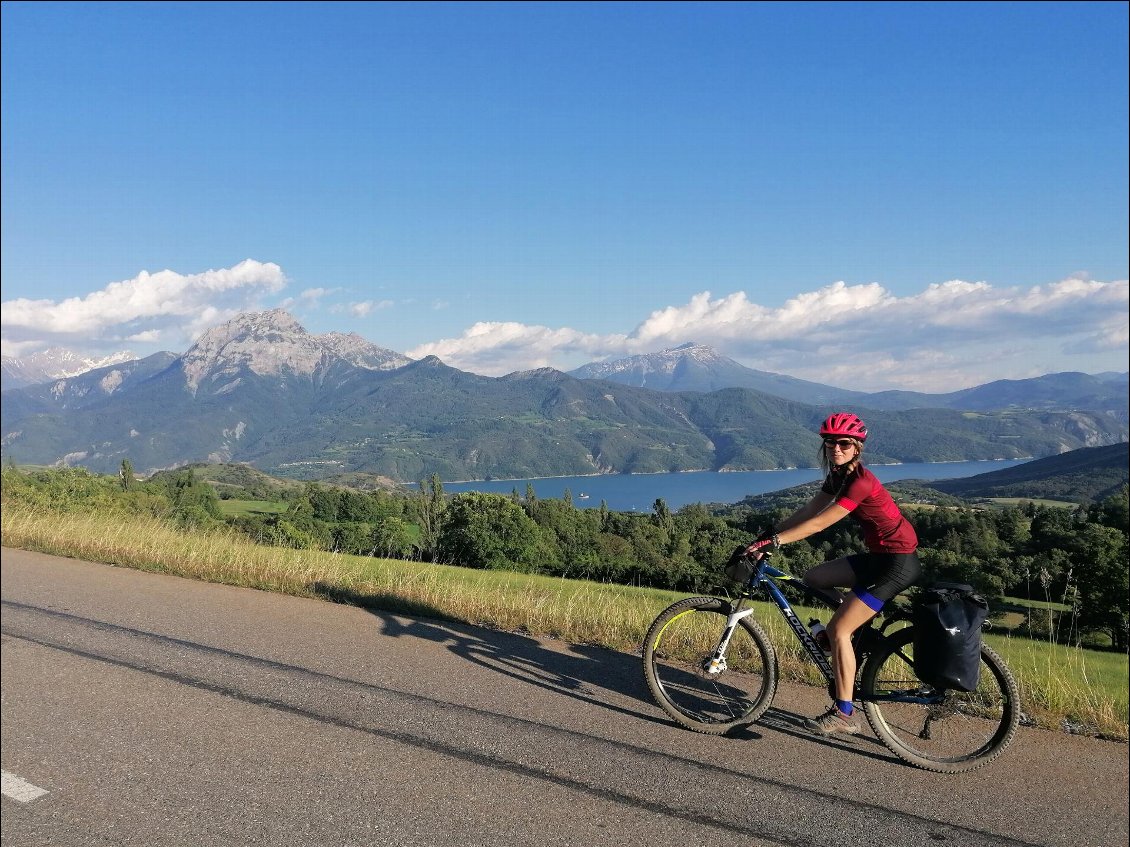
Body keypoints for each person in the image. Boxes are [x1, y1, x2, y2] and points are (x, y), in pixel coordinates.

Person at [739, 412, 921, 735]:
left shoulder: (861, 482)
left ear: (857, 448)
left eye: (844, 444)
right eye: (830, 443)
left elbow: (822, 522)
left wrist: (777, 541)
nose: (836, 449)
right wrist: (768, 534)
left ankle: (845, 713)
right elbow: (810, 510)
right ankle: (852, 629)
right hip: (879, 557)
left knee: (838, 631)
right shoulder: (838, 476)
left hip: (896, 562)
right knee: (814, 578)